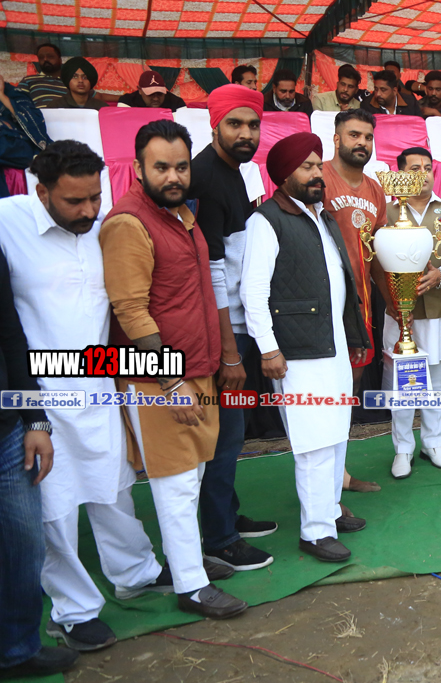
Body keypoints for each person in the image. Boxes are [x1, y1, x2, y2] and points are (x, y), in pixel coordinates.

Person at [0, 142, 167, 655]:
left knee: (112, 487)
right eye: (74, 201)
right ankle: (73, 611)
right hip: (37, 396)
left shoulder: (104, 225)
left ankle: (135, 573)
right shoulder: (7, 222)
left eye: (95, 197)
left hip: (97, 386)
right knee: (52, 509)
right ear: (41, 191)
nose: (89, 210)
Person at [100, 120, 247, 619]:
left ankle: (184, 565)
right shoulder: (128, 223)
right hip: (158, 378)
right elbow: (130, 310)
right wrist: (172, 381)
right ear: (138, 168)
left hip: (196, 368)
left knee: (193, 473)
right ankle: (191, 586)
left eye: (181, 167)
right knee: (177, 483)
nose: (173, 176)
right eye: (161, 167)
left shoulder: (181, 213)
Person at [240, 133, 370, 563]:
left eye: (318, 166)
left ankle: (329, 510)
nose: (318, 174)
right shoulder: (266, 221)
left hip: (331, 346)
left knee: (335, 434)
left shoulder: (322, 215)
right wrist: (268, 349)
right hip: (295, 353)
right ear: (284, 176)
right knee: (314, 442)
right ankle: (315, 532)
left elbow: (339, 282)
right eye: (308, 167)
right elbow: (253, 292)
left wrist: (353, 338)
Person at [190, 85, 277, 573]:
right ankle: (219, 538)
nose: (246, 134)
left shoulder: (234, 172)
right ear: (215, 125)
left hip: (238, 326)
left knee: (234, 429)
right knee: (223, 436)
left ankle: (227, 514)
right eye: (235, 124)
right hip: (224, 332)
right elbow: (211, 272)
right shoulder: (205, 176)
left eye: (253, 125)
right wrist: (228, 352)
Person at [0, 253, 76, 677]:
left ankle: (18, 649)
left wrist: (35, 420)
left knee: (24, 547)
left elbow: (11, 336)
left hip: (7, 432)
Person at [385, 147, 441, 478]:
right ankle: (403, 448)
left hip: (439, 310)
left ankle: (433, 443)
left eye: (427, 168)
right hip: (400, 314)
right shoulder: (388, 211)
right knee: (404, 383)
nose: (423, 174)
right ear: (400, 174)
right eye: (414, 168)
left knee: (436, 381)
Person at [322, 108, 388, 493]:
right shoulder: (318, 179)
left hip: (360, 307)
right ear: (336, 138)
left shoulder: (376, 191)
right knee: (324, 392)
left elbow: (378, 254)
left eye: (367, 136)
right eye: (353, 135)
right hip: (323, 307)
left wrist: (394, 304)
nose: (361, 142)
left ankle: (340, 475)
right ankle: (324, 480)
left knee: (350, 385)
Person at [16, 43, 67, 108]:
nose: (45, 59)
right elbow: (18, 103)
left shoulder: (71, 81)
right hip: (38, 114)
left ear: (60, 60)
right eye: (41, 57)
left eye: (50, 56)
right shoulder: (28, 80)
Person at [117, 71, 186, 111]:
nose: (156, 98)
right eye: (151, 94)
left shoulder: (177, 103)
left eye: (160, 93)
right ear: (140, 90)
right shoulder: (127, 102)